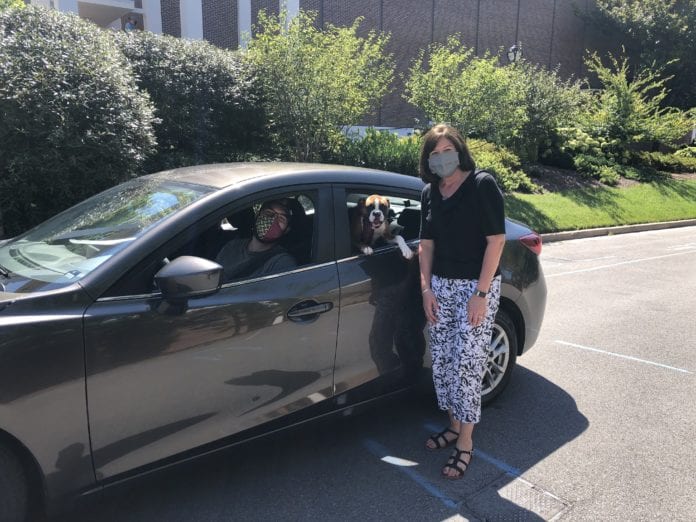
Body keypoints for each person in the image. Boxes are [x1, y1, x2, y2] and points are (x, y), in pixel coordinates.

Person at [418, 124, 506, 480]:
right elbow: (426, 244)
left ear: (459, 149)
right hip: (440, 287)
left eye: (446, 150)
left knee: (468, 365)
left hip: (475, 288)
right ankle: (454, 425)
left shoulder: (481, 184)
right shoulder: (430, 192)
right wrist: (426, 289)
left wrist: (480, 295)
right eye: (434, 154)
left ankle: (465, 443)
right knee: (443, 363)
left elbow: (496, 241)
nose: (441, 158)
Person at [215, 199, 297, 282]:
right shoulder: (231, 247)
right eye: (268, 213)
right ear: (257, 216)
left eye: (281, 219)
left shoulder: (281, 263)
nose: (273, 221)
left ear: (287, 230)